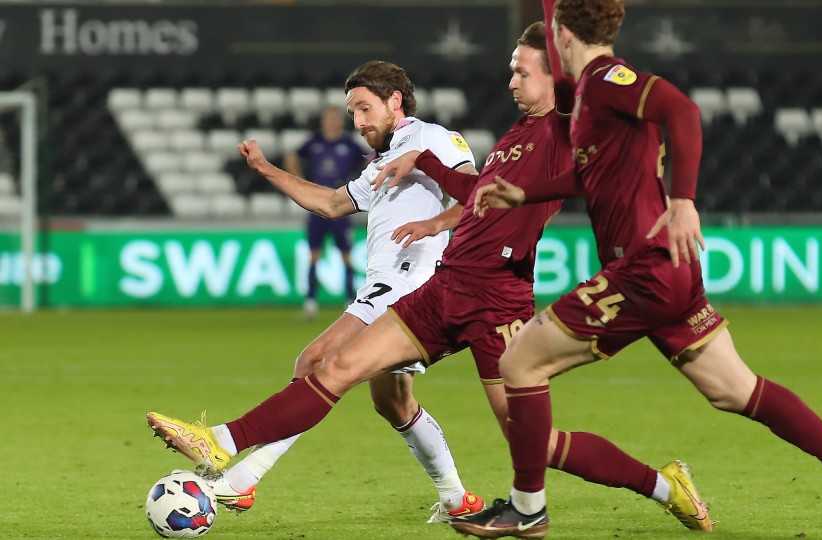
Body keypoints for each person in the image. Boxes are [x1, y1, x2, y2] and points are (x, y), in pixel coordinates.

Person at [146, 22, 712, 534]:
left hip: (486, 295)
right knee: (354, 379)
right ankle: (226, 446)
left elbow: (487, 186)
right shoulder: (506, 136)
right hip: (446, 286)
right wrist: (279, 168)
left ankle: (663, 487)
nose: (511, 81)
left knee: (530, 440)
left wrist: (434, 217)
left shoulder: (549, 129)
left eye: (522, 71)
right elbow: (442, 195)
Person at [451, 1, 822, 539]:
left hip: (643, 271)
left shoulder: (608, 80)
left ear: (562, 35)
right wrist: (526, 193)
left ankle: (527, 509)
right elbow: (591, 176)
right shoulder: (588, 94)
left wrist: (683, 201)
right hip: (669, 271)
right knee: (733, 389)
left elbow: (682, 110)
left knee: (519, 363)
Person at [194, 60, 487, 523]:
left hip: (408, 281)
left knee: (315, 361)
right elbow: (331, 203)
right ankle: (457, 500)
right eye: (352, 112)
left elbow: (480, 194)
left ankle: (243, 480)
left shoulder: (433, 137)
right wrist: (266, 169)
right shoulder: (383, 163)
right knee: (393, 402)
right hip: (391, 282)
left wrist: (434, 224)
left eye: (364, 108)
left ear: (395, 101)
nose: (358, 121)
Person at [283, 105, 367, 319]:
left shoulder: (349, 144)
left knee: (346, 255)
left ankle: (350, 300)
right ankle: (311, 301)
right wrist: (300, 180)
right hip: (317, 206)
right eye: (328, 118)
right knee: (314, 255)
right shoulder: (314, 142)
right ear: (323, 121)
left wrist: (357, 185)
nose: (331, 122)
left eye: (335, 118)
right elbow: (292, 157)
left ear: (340, 121)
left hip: (342, 205)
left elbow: (369, 161)